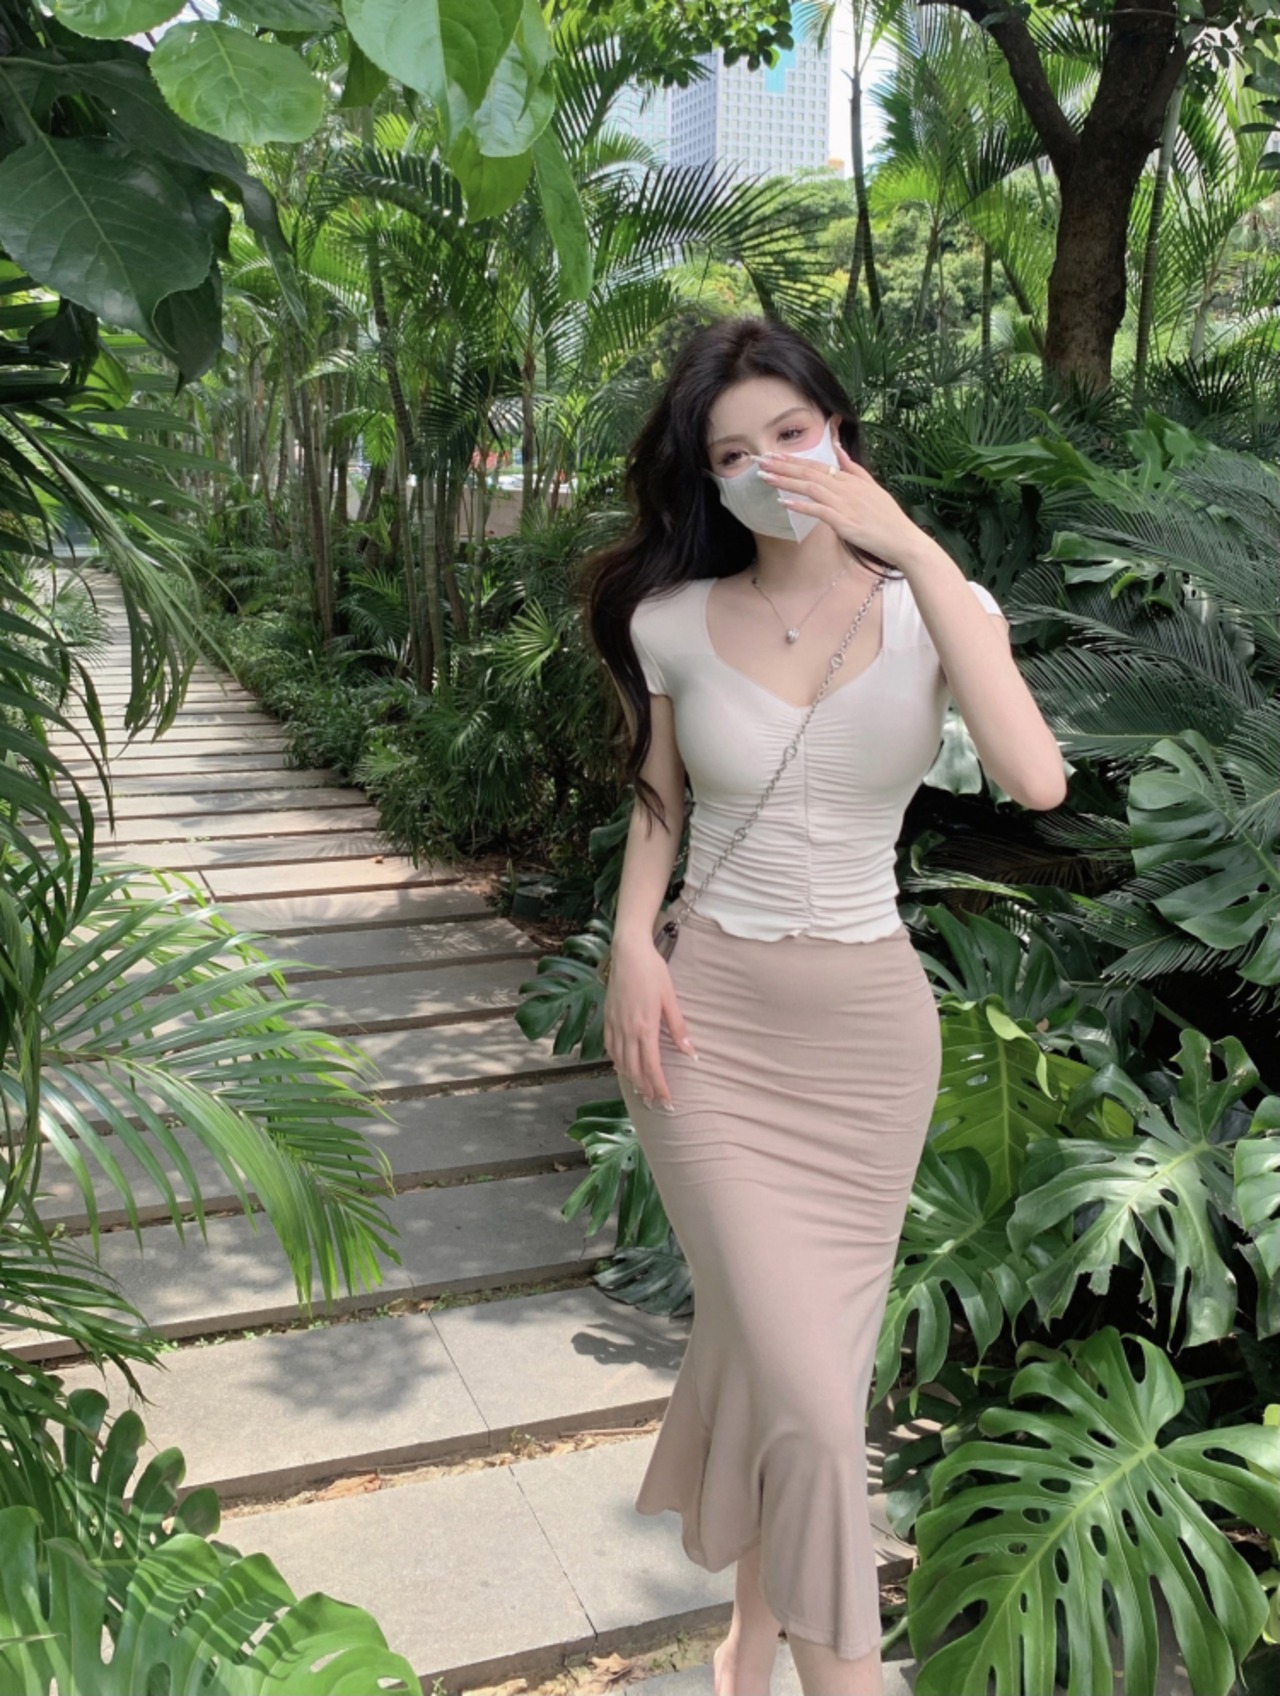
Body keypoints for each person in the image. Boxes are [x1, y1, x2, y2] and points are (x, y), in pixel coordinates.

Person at [578, 316, 1066, 1696]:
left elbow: (1035, 779)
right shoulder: (670, 620)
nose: (767, 468)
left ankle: (750, 1642)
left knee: (802, 1379)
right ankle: (844, 1672)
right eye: (732, 453)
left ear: (839, 431)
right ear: (705, 477)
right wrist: (630, 942)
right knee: (801, 1388)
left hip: (867, 1040)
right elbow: (662, 798)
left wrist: (914, 548)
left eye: (790, 434)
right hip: (707, 1026)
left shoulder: (935, 607)